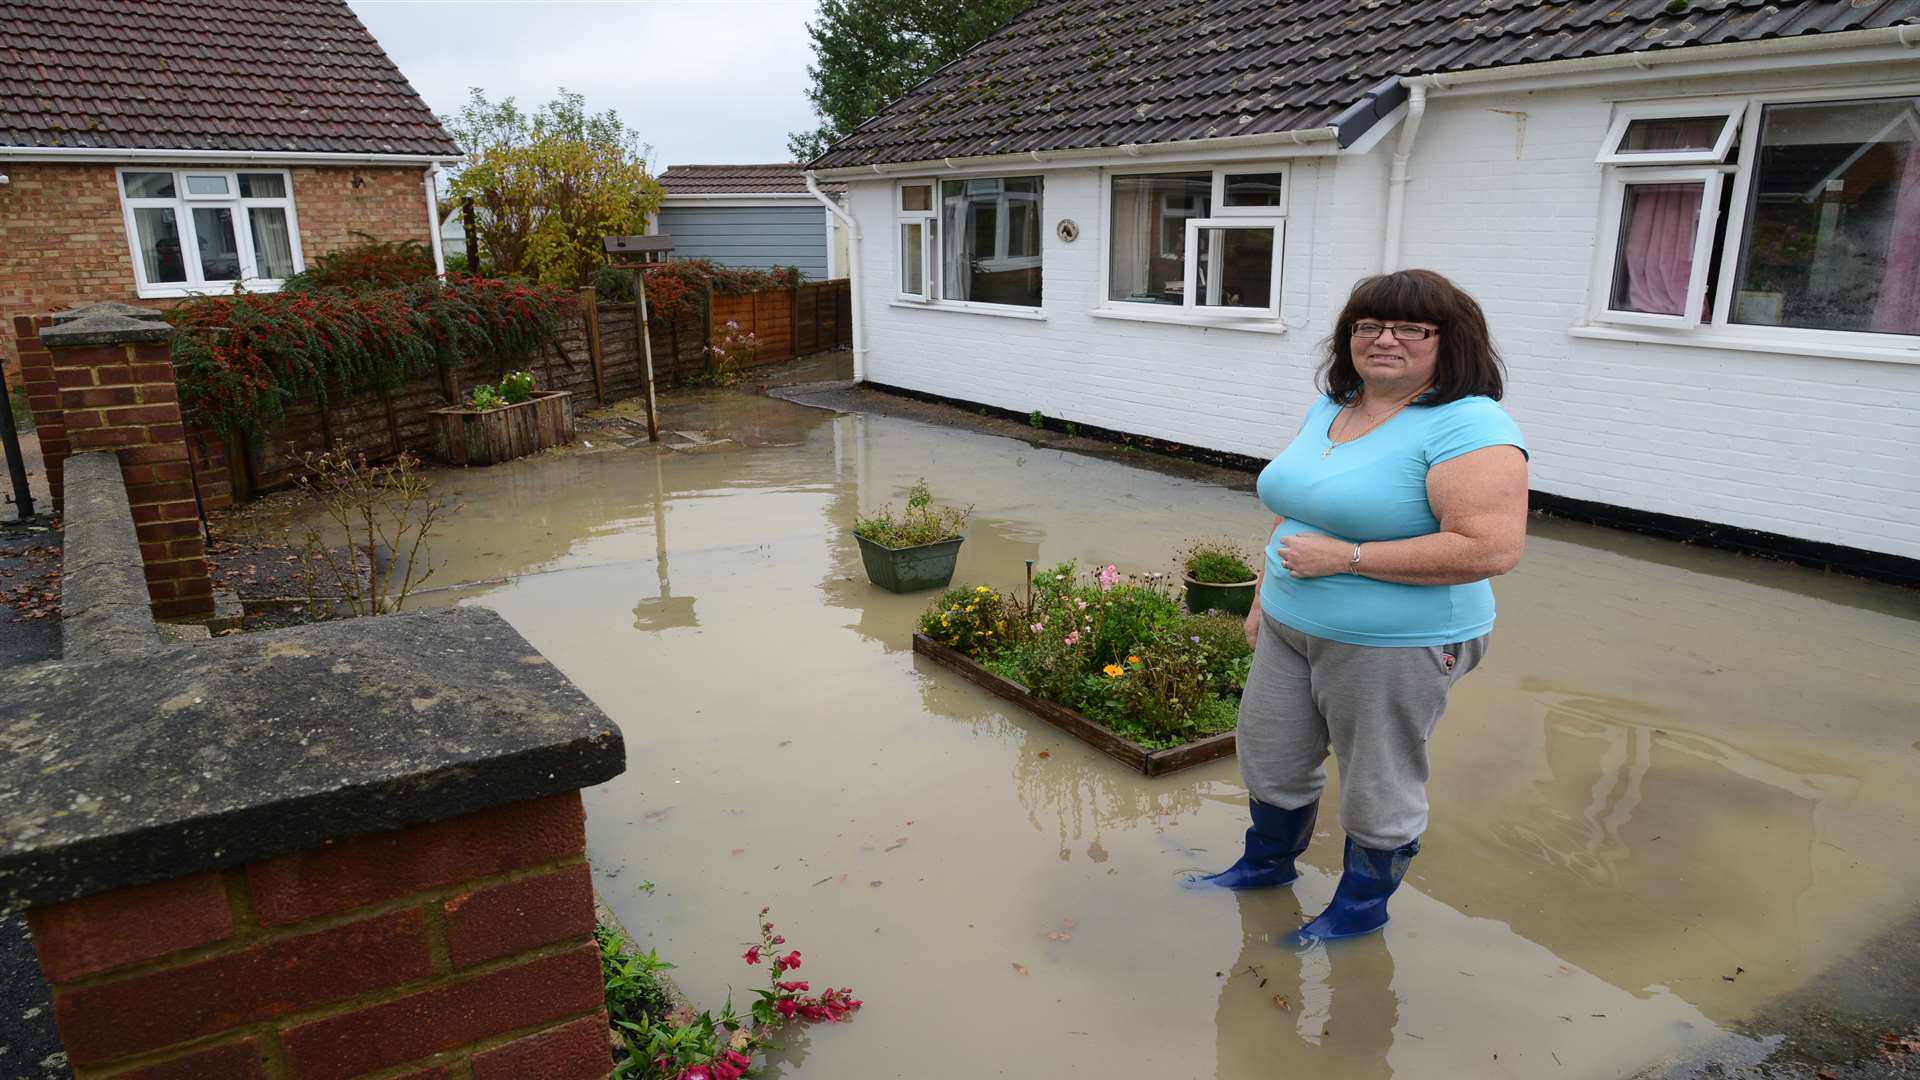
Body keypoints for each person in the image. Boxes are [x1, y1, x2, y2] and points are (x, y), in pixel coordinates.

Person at [1185, 269, 1529, 946]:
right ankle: (1266, 866)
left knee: (1377, 782)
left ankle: (1360, 908)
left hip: (1396, 642)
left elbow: (1490, 548)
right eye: (1367, 325)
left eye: (1409, 327)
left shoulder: (1471, 425)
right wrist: (1263, 597)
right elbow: (1295, 510)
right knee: (1273, 755)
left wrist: (1350, 559)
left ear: (1449, 341)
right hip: (1290, 625)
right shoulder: (1336, 406)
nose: (1384, 339)